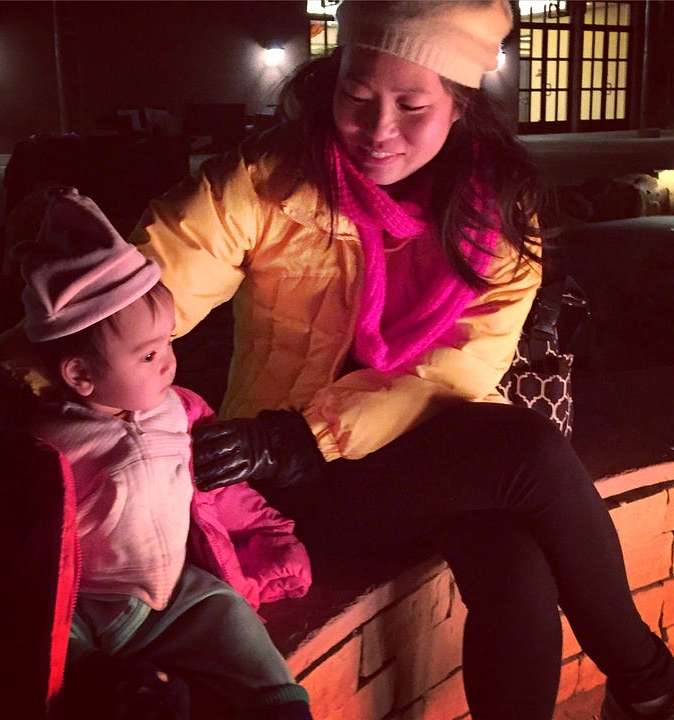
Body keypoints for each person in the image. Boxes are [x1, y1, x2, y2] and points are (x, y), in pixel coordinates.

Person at [128, 2, 674, 719]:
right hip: (289, 482)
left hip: (377, 453)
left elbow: (460, 369)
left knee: (514, 552)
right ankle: (648, 681)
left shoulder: (495, 211)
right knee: (528, 453)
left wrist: (305, 434)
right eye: (357, 97)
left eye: (412, 105)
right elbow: (147, 287)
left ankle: (646, 682)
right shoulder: (269, 179)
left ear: (460, 107)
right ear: (333, 86)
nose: (378, 131)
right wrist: (25, 380)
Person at [17, 187, 314, 720]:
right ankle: (122, 691)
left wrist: (273, 536)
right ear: (81, 376)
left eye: (169, 342)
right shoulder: (48, 441)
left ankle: (279, 704)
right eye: (149, 353)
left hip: (174, 595)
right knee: (41, 637)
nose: (168, 363)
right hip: (86, 601)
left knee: (228, 614)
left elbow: (219, 489)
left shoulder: (182, 411)